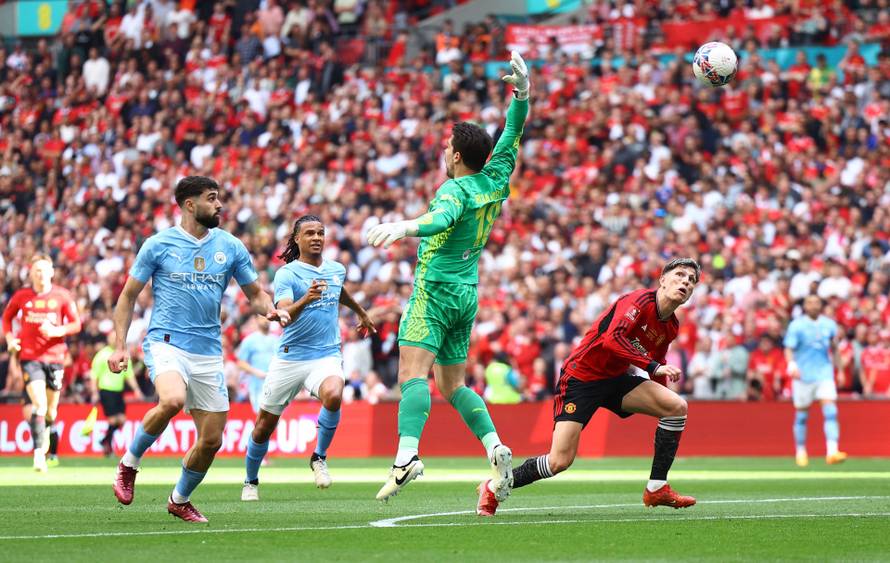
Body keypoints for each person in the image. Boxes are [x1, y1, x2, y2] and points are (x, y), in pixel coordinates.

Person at [365, 51, 530, 503]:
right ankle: (494, 445)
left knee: (412, 374)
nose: (442, 154)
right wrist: (521, 95)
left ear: (456, 157)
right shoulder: (495, 178)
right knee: (453, 384)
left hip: (435, 290)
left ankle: (406, 456)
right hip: (468, 293)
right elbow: (512, 133)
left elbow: (441, 218)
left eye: (445, 150)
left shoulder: (454, 188)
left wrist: (405, 226)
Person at [108, 176, 290, 523]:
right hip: (166, 342)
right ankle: (129, 463)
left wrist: (270, 308)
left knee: (211, 441)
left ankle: (179, 498)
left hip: (207, 350)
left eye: (219, 198)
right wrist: (119, 346)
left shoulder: (231, 246)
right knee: (172, 400)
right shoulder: (158, 245)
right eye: (211, 198)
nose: (219, 205)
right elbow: (127, 296)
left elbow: (255, 294)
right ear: (190, 205)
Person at [477, 258, 701, 516]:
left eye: (691, 280)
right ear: (662, 280)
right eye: (680, 275)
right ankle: (493, 487)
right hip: (581, 377)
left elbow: (659, 364)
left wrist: (660, 399)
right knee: (559, 461)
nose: (685, 281)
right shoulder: (639, 302)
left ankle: (657, 487)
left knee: (675, 407)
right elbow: (612, 340)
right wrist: (651, 367)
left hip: (616, 379)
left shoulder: (671, 326)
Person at [242, 215, 376, 500]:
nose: (316, 237)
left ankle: (319, 457)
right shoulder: (287, 274)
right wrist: (307, 299)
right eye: (310, 233)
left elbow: (338, 290)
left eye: (321, 233)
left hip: (325, 354)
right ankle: (250, 481)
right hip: (290, 358)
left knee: (334, 393)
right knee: (263, 426)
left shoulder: (336, 269)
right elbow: (285, 316)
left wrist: (360, 311)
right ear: (297, 239)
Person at [2, 254, 82, 472]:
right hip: (30, 357)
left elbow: (76, 324)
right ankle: (39, 455)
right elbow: (7, 318)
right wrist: (10, 339)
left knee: (51, 412)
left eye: (44, 269)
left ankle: (46, 430)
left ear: (52, 272)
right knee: (39, 404)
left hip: (55, 358)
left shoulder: (62, 296)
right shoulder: (21, 296)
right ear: (30, 273)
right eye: (36, 270)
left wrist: (58, 330)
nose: (40, 274)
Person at [783, 294, 847, 467]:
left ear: (821, 305)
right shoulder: (797, 325)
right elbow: (789, 348)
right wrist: (791, 364)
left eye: (816, 302)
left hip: (824, 374)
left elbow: (835, 349)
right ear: (805, 306)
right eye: (810, 302)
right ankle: (801, 451)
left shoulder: (829, 324)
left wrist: (840, 371)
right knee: (802, 416)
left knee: (831, 412)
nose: (813, 305)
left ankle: (832, 452)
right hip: (803, 376)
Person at [89, 331, 144, 456]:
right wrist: (94, 392)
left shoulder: (123, 355)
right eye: (112, 338)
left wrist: (136, 390)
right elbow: (94, 375)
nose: (114, 340)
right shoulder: (102, 355)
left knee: (122, 420)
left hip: (119, 391)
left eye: (116, 338)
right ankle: (106, 443)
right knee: (113, 421)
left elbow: (129, 374)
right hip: (106, 390)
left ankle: (105, 441)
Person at [236, 316, 278, 413]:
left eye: (268, 318)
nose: (265, 320)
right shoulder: (249, 340)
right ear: (257, 320)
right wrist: (255, 372)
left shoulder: (277, 340)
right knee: (260, 415)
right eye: (262, 318)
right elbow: (240, 363)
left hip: (275, 383)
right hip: (257, 385)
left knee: (275, 417)